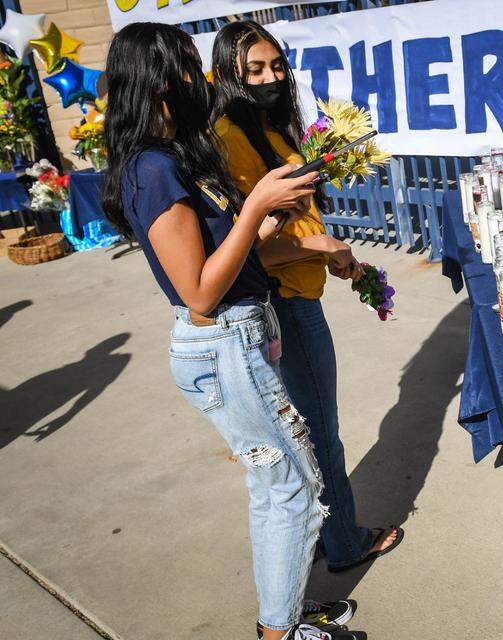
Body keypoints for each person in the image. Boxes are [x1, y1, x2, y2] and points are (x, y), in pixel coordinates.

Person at [100, 23, 362, 640]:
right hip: (223, 344)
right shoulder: (154, 169)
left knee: (277, 487)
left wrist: (271, 218)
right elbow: (197, 292)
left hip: (244, 335)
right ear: (160, 81)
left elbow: (233, 255)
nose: (203, 79)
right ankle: (278, 631)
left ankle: (286, 608)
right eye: (191, 66)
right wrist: (253, 207)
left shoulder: (177, 158)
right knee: (294, 488)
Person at [209, 19, 403, 580]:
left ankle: (320, 530)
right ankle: (343, 542)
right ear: (228, 75)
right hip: (282, 304)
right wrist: (318, 244)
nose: (269, 77)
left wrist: (329, 254)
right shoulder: (229, 138)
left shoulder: (268, 127)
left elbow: (288, 227)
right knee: (319, 429)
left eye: (276, 66)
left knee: (309, 428)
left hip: (298, 289)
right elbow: (244, 248)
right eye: (254, 70)